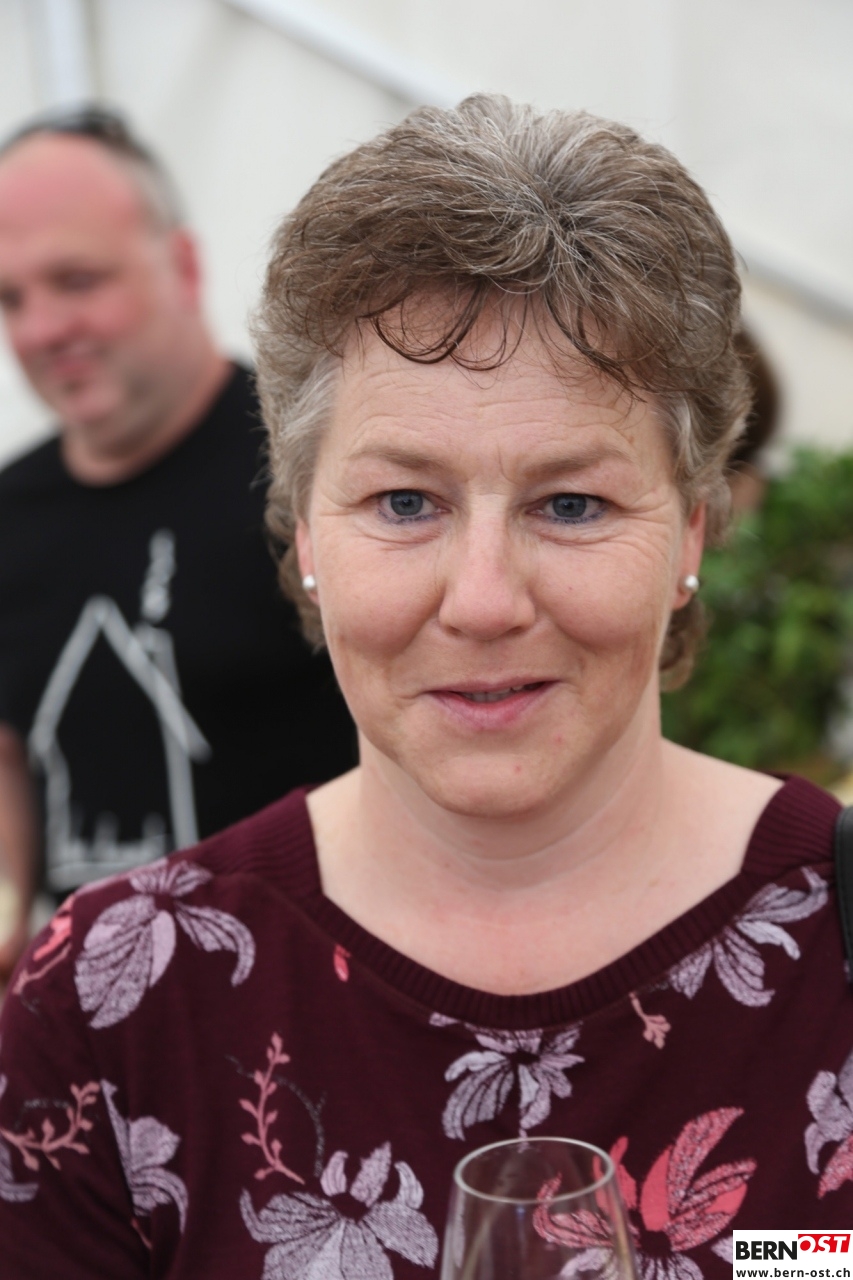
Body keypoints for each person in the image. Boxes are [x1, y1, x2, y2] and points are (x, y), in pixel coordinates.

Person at [1, 96, 850, 1276]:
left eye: (572, 503)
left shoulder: (834, 936)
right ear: (305, 534)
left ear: (690, 535)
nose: (483, 598)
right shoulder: (112, 1003)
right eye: (404, 501)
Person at [0, 108, 355, 981]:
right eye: (10, 298)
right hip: (95, 1013)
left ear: (185, 267)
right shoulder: (9, 513)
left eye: (76, 280)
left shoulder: (316, 472)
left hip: (311, 999)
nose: (41, 328)